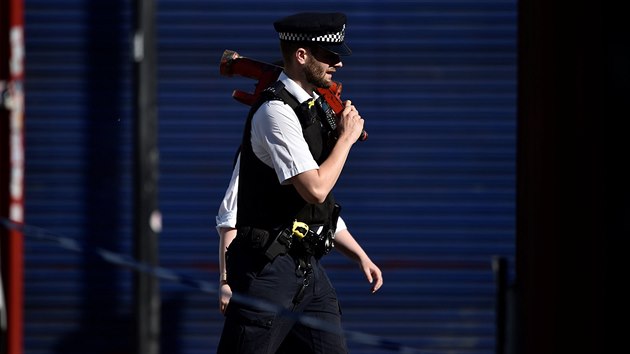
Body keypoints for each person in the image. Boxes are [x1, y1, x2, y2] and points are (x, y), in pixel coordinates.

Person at [216, 12, 383, 354]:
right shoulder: (274, 112)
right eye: (328, 56)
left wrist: (360, 256)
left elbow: (314, 208)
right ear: (302, 55)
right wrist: (346, 140)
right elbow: (316, 188)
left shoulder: (314, 109)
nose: (337, 64)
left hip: (307, 271)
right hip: (266, 272)